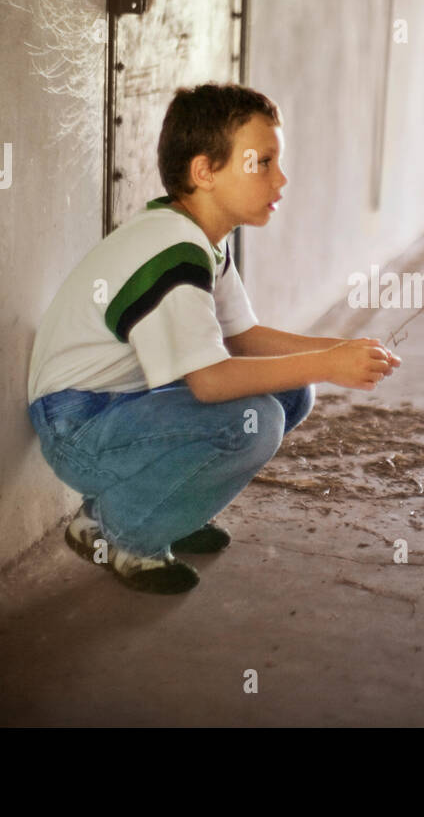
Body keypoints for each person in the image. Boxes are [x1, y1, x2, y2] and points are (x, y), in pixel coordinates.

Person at [26, 82, 402, 594]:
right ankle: (119, 530)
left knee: (290, 393)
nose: (281, 179)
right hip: (78, 427)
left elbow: (242, 338)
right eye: (262, 163)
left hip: (120, 412)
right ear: (204, 172)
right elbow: (208, 382)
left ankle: (168, 508)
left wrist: (334, 352)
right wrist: (330, 364)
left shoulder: (201, 241)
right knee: (257, 418)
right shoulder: (174, 251)